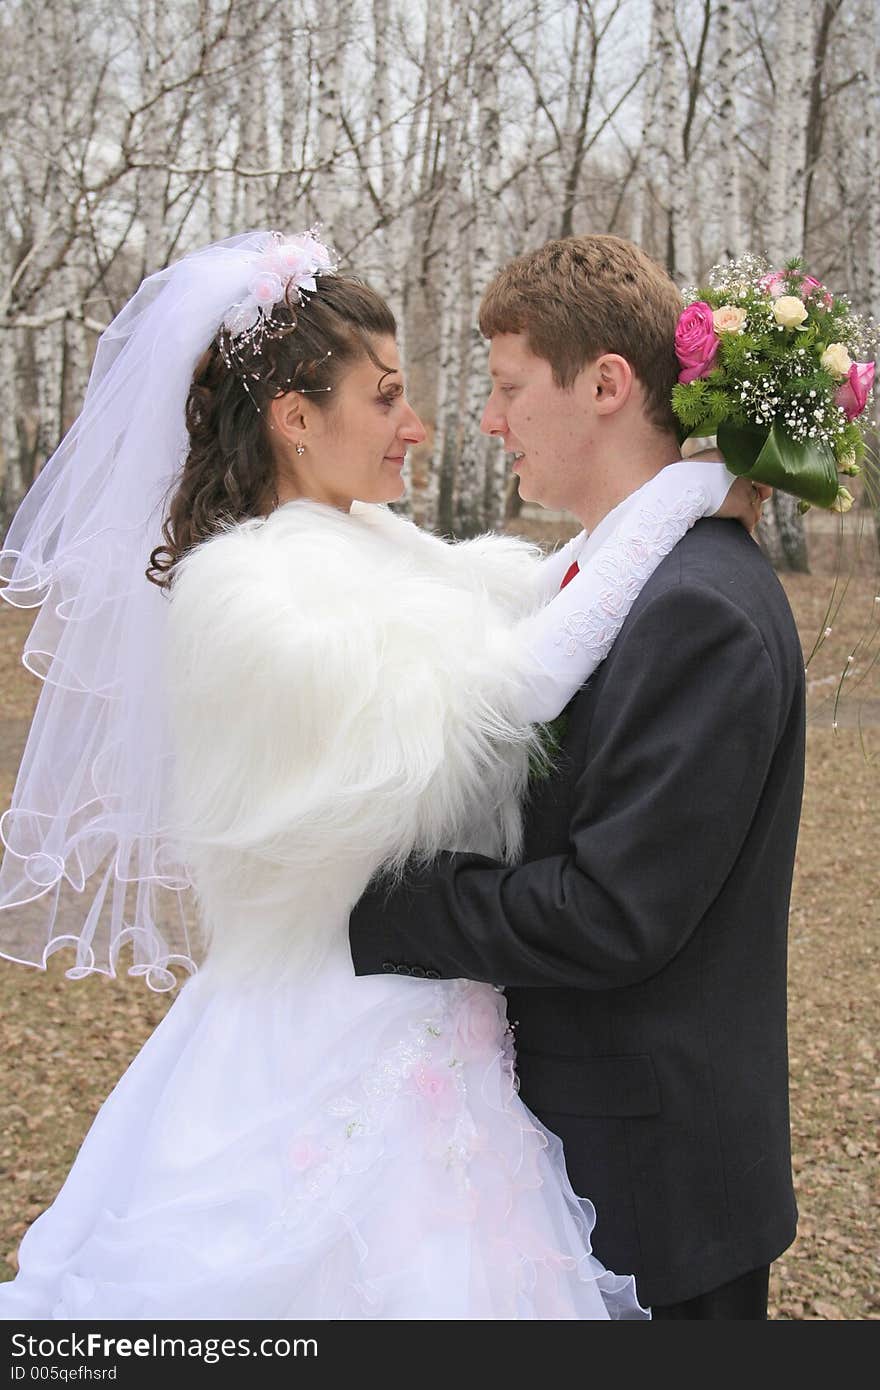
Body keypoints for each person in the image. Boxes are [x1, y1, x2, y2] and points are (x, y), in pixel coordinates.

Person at [0, 231, 757, 1321]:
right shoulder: (246, 587)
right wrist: (682, 497)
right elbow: (505, 688)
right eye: (387, 396)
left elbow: (529, 595)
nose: (421, 424)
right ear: (295, 418)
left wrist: (655, 508)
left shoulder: (370, 541)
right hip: (326, 1033)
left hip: (426, 1018)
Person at [349, 234, 805, 1321]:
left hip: (656, 1198)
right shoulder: (613, 578)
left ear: (605, 384)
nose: (489, 420)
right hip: (589, 1157)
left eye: (509, 388)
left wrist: (377, 903)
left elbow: (611, 913)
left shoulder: (695, 606)